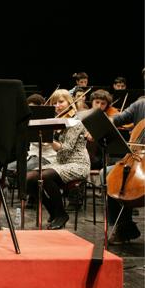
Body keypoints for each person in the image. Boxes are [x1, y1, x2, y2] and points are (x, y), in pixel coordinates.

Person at [25, 89, 90, 230]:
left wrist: (49, 139)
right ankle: (53, 211)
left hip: (77, 163)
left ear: (70, 102)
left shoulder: (76, 123)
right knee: (29, 179)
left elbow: (66, 149)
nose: (57, 106)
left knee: (44, 176)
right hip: (60, 163)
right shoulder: (59, 121)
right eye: (54, 103)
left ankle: (61, 214)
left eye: (61, 102)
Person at [107, 97, 144, 244]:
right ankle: (124, 226)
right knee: (109, 175)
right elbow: (117, 118)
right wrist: (105, 122)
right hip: (137, 157)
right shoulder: (140, 104)